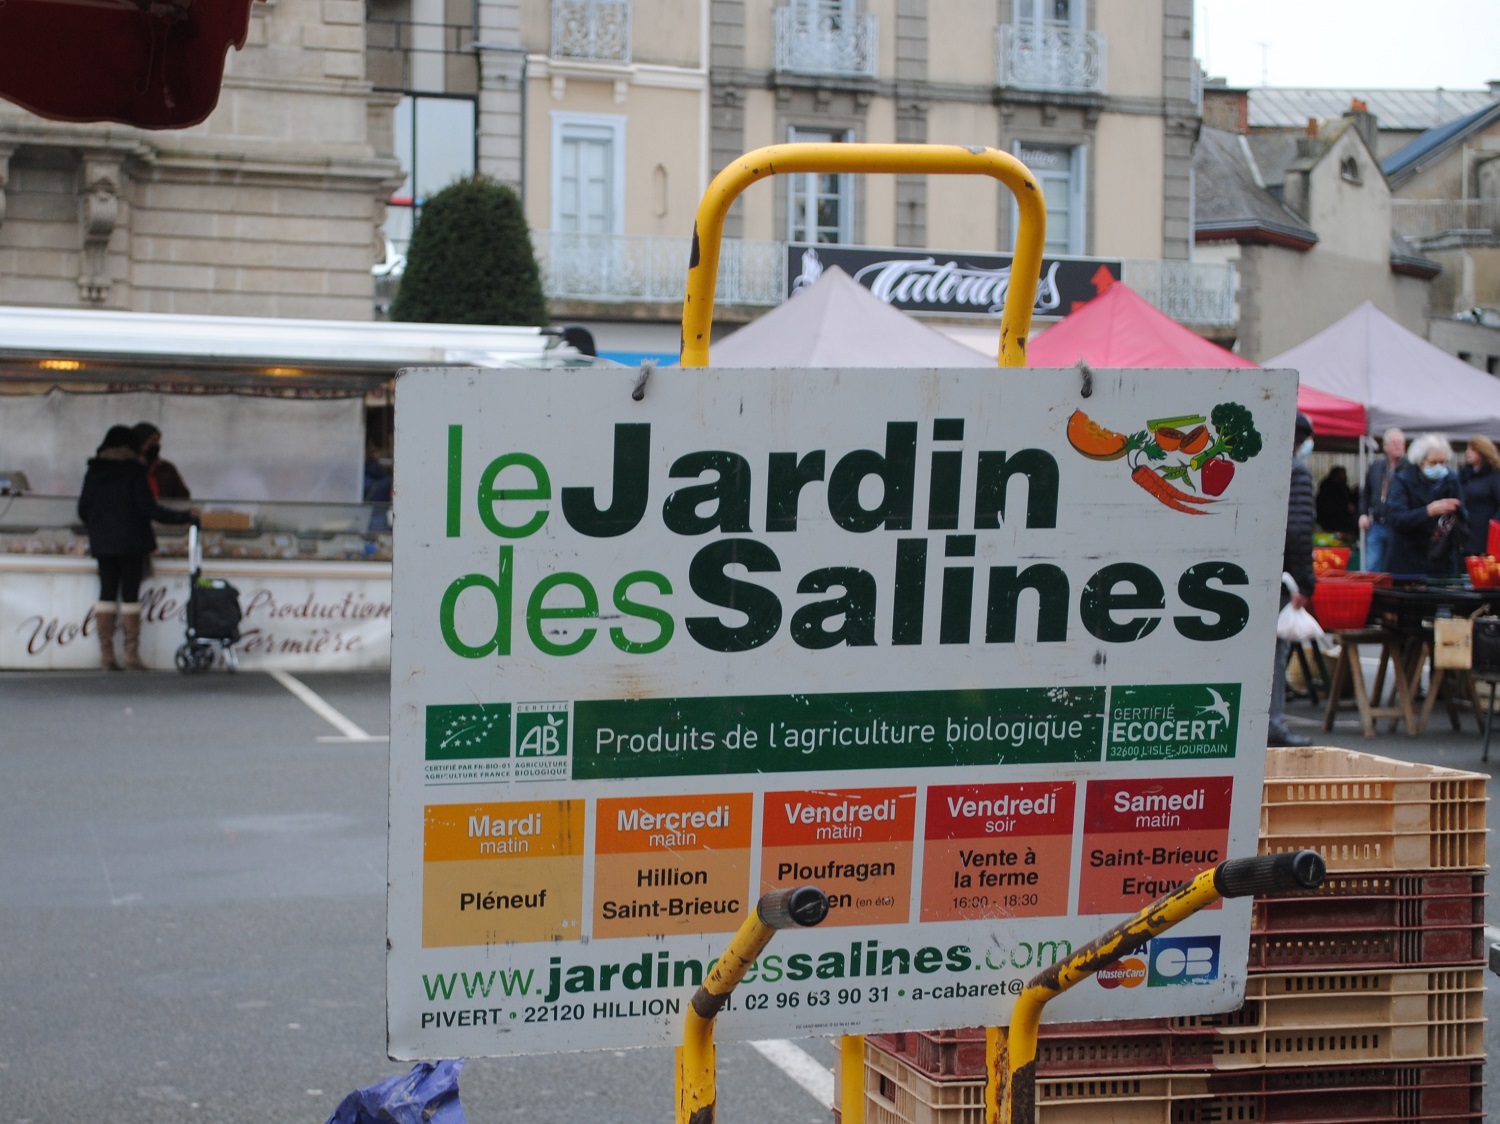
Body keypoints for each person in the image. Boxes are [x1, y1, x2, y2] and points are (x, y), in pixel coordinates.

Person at [77, 425, 197, 670]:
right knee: (130, 595)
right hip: (131, 542)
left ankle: (106, 655)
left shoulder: (94, 471)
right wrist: (186, 516)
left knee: (106, 593)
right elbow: (149, 509)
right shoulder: (134, 470)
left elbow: (82, 510)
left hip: (103, 543)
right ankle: (131, 656)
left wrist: (101, 525)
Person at [1269, 412, 1317, 748]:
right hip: (1281, 574)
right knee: (1275, 649)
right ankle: (1273, 724)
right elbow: (1299, 531)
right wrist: (1305, 583)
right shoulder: (1296, 470)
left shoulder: (1265, 462)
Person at [1384, 433, 1466, 578]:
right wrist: (1428, 511)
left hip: (1442, 561)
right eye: (1433, 463)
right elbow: (1396, 518)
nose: (1439, 467)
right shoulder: (1402, 480)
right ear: (1420, 461)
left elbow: (1464, 516)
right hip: (1408, 561)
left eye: (1443, 462)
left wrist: (1456, 513)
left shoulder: (1451, 480)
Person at [1358, 428, 1405, 573]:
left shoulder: (1410, 468)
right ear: (1385, 447)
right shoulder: (1376, 466)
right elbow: (1365, 493)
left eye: (1401, 443)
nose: (1398, 446)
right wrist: (1363, 514)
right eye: (1394, 443)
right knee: (1371, 566)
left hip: (1398, 526)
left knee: (1396, 566)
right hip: (1377, 523)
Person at [1459, 435, 1500, 557]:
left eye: (1472, 449)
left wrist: (1493, 526)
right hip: (1466, 534)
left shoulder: (1495, 476)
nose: (1467, 453)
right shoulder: (1465, 475)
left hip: (1486, 535)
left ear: (1482, 452)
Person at [130, 421, 191, 500]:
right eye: (152, 441)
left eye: (157, 441)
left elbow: (182, 497)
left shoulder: (166, 469)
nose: (157, 445)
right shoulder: (126, 468)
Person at [1315, 465, 1359, 537]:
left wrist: (1355, 493)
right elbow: (1330, 505)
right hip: (1332, 521)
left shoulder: (1343, 487)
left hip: (1342, 521)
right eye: (1343, 474)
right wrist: (1346, 507)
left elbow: (1349, 498)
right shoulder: (1328, 489)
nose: (1346, 476)